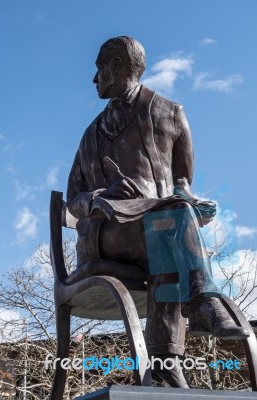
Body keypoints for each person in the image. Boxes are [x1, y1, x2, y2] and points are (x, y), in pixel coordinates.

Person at [67, 36, 249, 388]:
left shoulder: (170, 112)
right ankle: (202, 302)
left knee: (169, 230)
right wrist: (100, 195)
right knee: (171, 231)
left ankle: (165, 368)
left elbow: (182, 183)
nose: (94, 79)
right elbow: (74, 197)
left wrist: (192, 203)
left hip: (162, 228)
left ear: (117, 65)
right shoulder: (90, 135)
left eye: (99, 69)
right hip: (108, 233)